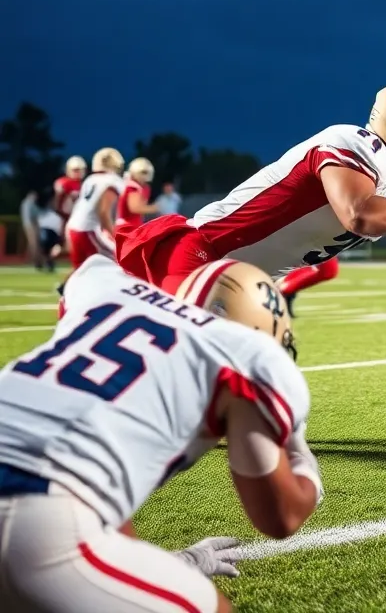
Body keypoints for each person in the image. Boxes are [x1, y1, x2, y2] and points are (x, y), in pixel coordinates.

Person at [0, 254, 319, 613]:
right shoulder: (251, 355)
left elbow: (98, 485)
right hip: (33, 518)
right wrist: (301, 457)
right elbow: (281, 516)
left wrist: (179, 563)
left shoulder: (105, 285)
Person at [116, 82, 386, 305]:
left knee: (257, 386)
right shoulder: (358, 143)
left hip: (242, 283)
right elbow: (360, 215)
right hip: (201, 256)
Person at [64, 148, 125, 270]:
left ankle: (67, 284)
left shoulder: (90, 179)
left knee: (81, 271)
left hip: (73, 227)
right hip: (88, 229)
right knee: (120, 260)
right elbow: (103, 212)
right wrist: (115, 236)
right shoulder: (113, 181)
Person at [116, 158, 160, 229]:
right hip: (128, 227)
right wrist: (153, 208)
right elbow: (135, 208)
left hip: (130, 225)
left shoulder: (137, 186)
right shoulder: (132, 187)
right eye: (142, 172)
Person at [53, 156, 87, 226]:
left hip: (79, 218)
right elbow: (57, 202)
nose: (79, 173)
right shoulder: (64, 182)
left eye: (81, 170)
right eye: (75, 170)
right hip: (66, 218)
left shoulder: (84, 184)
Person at [35, 203, 65, 272]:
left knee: (44, 251)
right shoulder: (57, 217)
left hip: (44, 234)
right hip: (52, 234)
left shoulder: (43, 215)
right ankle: (49, 261)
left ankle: (42, 262)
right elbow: (59, 229)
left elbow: (39, 225)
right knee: (54, 249)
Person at [19, 190, 40, 269]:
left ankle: (32, 259)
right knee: (34, 243)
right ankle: (35, 261)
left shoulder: (27, 203)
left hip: (29, 224)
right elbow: (31, 216)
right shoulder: (29, 203)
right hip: (30, 225)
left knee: (32, 243)